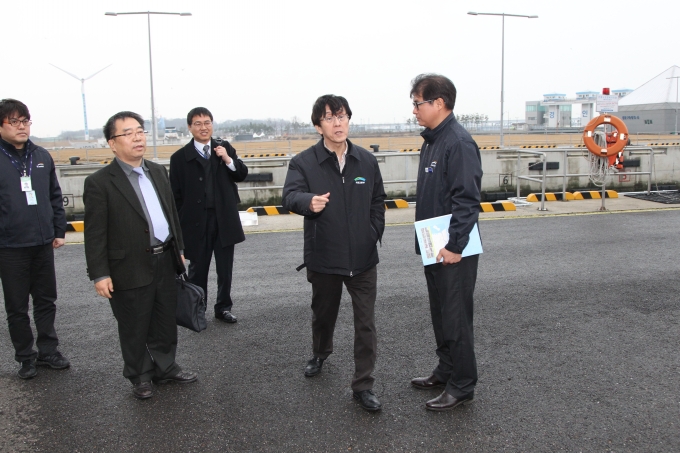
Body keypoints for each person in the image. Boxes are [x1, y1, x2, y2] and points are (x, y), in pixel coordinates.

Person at [282, 95, 386, 412]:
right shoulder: (303, 162)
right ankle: (320, 352)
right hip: (325, 258)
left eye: (342, 116)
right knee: (323, 315)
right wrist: (307, 202)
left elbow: (377, 201)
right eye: (329, 118)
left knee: (366, 324)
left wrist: (372, 234)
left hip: (363, 259)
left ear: (349, 120)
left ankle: (363, 385)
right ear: (318, 126)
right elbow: (290, 195)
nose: (337, 123)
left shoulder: (366, 161)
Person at [84, 111, 197, 400]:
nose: (137, 137)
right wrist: (100, 273)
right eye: (128, 133)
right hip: (128, 266)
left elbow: (172, 216)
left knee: (163, 320)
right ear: (112, 143)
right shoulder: (100, 182)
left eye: (140, 131)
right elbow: (95, 233)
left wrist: (180, 251)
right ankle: (140, 375)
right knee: (134, 324)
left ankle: (165, 366)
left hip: (164, 259)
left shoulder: (157, 171)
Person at [408, 74, 483, 411]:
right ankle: (446, 369)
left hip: (452, 249)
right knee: (440, 314)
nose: (414, 110)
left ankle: (463, 383)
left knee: (455, 317)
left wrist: (455, 246)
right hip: (432, 246)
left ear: (438, 103)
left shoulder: (458, 142)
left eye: (417, 102)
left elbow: (467, 200)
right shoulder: (433, 141)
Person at [0, 98, 70, 379]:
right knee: (17, 307)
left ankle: (48, 351)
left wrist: (58, 230)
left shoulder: (41, 156)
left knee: (46, 300)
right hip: (9, 245)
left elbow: (55, 195)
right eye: (14, 121)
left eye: (25, 120)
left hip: (42, 243)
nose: (21, 126)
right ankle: (25, 357)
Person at [170, 108, 248, 324]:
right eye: (198, 123)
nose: (203, 127)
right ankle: (198, 310)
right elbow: (174, 196)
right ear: (189, 127)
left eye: (207, 122)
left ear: (212, 124)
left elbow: (241, 173)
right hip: (196, 223)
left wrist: (227, 159)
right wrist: (179, 225)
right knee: (198, 270)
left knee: (225, 269)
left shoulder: (224, 149)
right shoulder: (179, 158)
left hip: (224, 220)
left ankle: (223, 308)